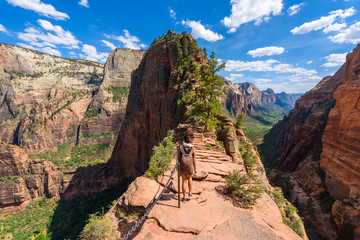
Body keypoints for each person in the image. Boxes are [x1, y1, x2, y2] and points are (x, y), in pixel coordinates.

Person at [177, 135, 197, 203]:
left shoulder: (180, 147)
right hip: (190, 165)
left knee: (184, 181)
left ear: (184, 140)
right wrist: (195, 168)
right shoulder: (193, 148)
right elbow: (194, 159)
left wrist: (179, 165)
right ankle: (190, 193)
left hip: (183, 165)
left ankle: (184, 197)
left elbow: (178, 158)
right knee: (190, 178)